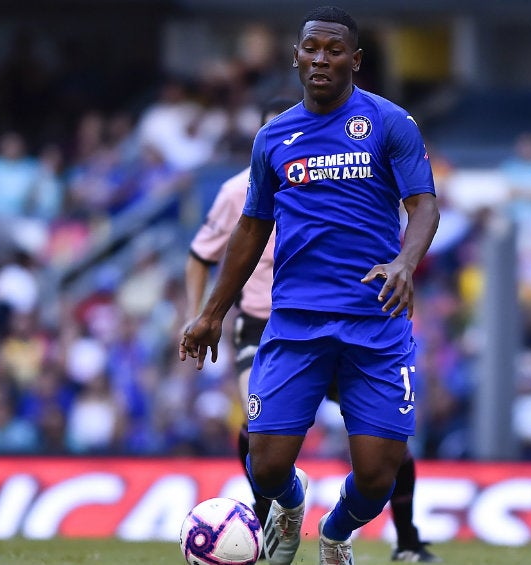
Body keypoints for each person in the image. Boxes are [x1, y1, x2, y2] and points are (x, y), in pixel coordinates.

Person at [179, 6, 440, 565]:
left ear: (355, 59)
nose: (321, 58)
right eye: (311, 48)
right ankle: (290, 509)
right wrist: (211, 313)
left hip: (375, 321)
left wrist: (405, 261)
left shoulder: (391, 122)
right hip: (296, 322)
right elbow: (251, 229)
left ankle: (337, 532)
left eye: (334, 49)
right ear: (296, 56)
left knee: (376, 476)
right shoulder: (273, 137)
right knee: (265, 462)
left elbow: (423, 205)